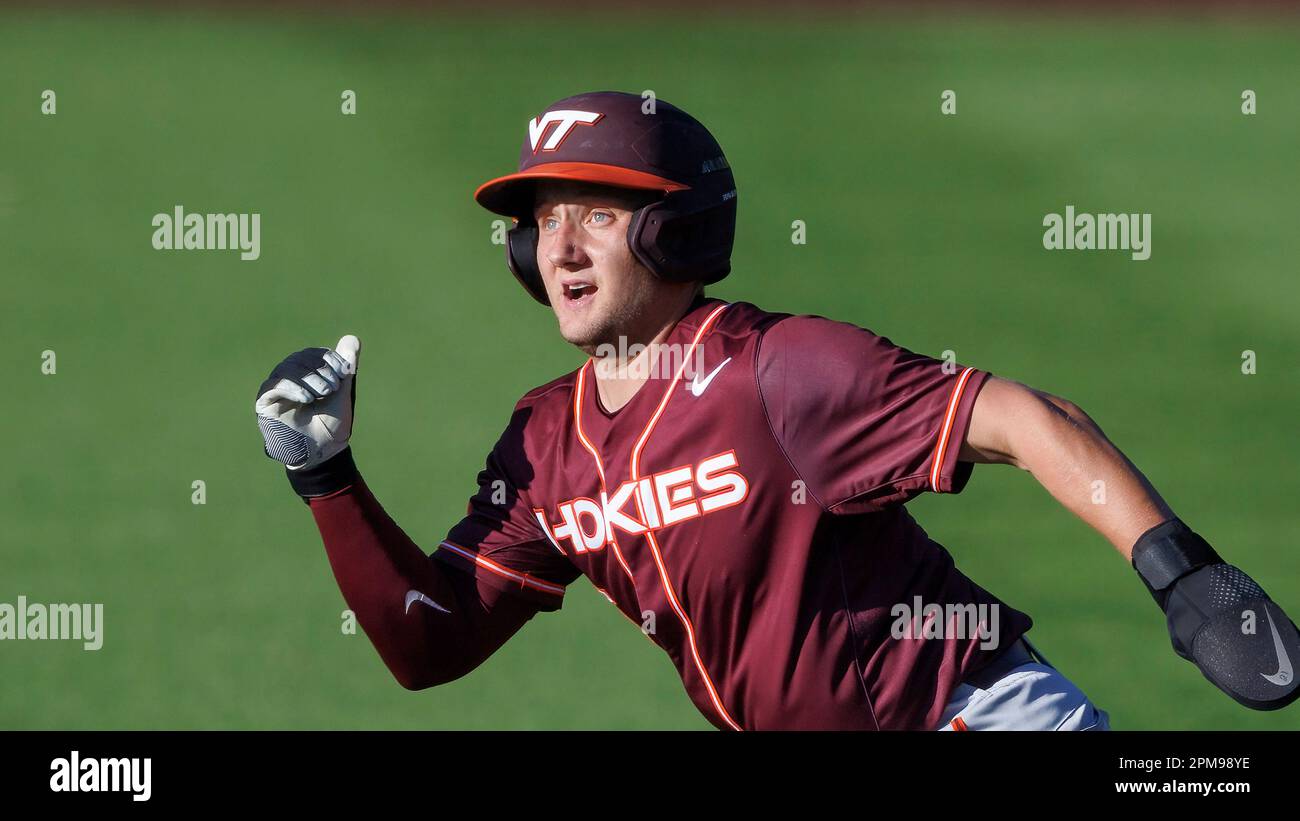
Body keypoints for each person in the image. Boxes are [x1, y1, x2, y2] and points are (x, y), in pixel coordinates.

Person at [254, 91, 1300, 730]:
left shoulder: (778, 370)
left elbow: (1022, 417)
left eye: (597, 217)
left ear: (672, 233)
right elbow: (428, 645)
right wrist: (326, 476)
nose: (559, 248)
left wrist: (1181, 572)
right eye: (542, 225)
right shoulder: (544, 445)